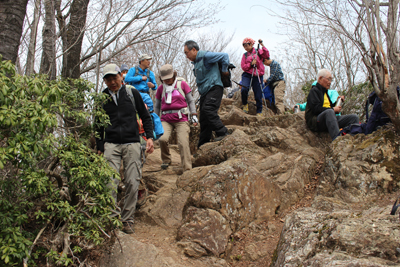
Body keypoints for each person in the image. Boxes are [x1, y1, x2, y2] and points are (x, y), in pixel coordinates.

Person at [95, 64, 154, 234]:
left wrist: (149, 137)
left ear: (121, 76)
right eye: (108, 79)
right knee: (109, 183)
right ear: (105, 81)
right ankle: (113, 219)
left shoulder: (131, 92)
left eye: (115, 78)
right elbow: (98, 124)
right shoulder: (102, 98)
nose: (112, 82)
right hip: (111, 144)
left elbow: (145, 115)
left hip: (132, 142)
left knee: (132, 181)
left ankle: (127, 219)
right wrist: (100, 146)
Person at [183, 40, 229, 148]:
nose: (186, 56)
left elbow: (225, 56)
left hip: (214, 87)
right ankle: (203, 145)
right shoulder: (196, 62)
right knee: (203, 118)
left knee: (208, 109)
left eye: (186, 52)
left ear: (194, 50)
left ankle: (223, 132)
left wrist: (224, 70)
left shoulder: (206, 56)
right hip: (205, 92)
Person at [154, 64, 197, 172]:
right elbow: (157, 106)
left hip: (181, 118)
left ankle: (187, 168)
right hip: (165, 118)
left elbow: (190, 101)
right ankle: (166, 159)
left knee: (183, 142)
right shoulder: (160, 88)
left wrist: (194, 114)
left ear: (173, 75)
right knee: (162, 139)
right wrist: (155, 119)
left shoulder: (182, 84)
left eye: (169, 78)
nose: (167, 80)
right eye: (165, 79)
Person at [305, 69, 359, 141]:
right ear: (320, 78)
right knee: (329, 112)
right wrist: (333, 109)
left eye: (331, 80)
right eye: (328, 79)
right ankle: (338, 141)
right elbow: (316, 109)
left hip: (329, 118)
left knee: (354, 117)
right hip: (315, 121)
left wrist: (338, 101)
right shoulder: (314, 91)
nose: (330, 82)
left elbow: (329, 107)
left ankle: (353, 139)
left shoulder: (325, 92)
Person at [241, 38, 270, 116]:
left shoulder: (258, 52)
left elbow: (266, 55)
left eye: (246, 45)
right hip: (247, 75)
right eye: (244, 46)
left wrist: (262, 45)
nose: (245, 47)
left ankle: (259, 111)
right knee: (244, 89)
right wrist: (250, 64)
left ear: (251, 44)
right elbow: (243, 66)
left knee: (258, 94)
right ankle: (244, 105)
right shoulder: (245, 55)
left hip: (258, 75)